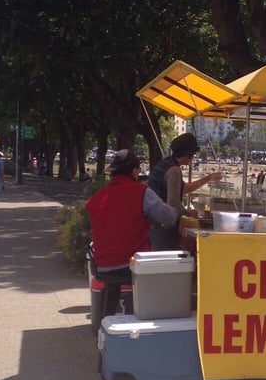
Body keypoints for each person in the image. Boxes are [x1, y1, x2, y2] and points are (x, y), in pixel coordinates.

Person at [85, 149, 180, 316]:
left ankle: (107, 318)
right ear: (134, 171)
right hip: (130, 265)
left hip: (101, 265)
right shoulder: (141, 192)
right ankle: (153, 315)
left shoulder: (98, 196)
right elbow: (169, 218)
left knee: (112, 284)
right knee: (172, 269)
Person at [147, 133, 222, 249]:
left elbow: (183, 189)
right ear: (188, 154)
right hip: (163, 227)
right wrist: (189, 214)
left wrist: (208, 178)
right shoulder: (174, 170)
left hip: (152, 222)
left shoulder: (164, 163)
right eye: (193, 155)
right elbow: (173, 203)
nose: (192, 158)